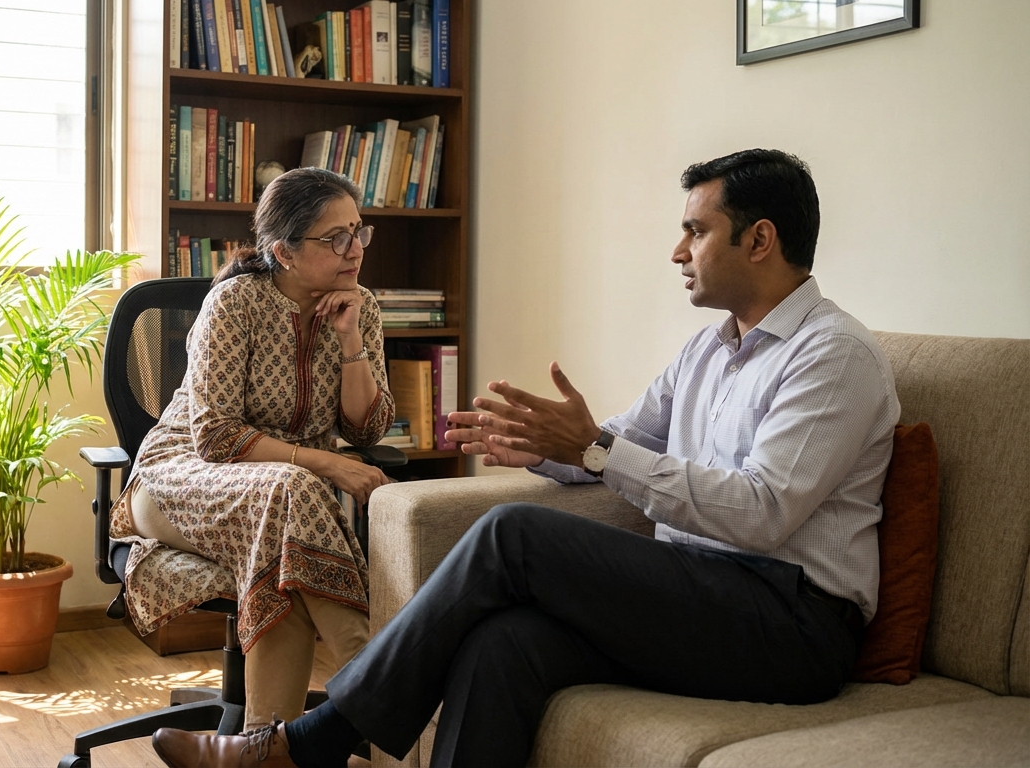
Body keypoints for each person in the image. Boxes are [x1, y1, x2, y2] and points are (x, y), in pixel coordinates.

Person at [148, 149, 900, 768]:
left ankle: (314, 740)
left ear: (759, 240)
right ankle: (312, 742)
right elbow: (617, 443)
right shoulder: (710, 348)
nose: (677, 251)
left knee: (514, 535)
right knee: (503, 643)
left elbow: (763, 512)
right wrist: (544, 450)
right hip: (703, 593)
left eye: (695, 232)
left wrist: (596, 452)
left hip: (791, 621)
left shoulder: (831, 356)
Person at [110, 167, 395, 732]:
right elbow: (214, 437)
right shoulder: (234, 303)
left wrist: (351, 341)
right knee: (289, 489)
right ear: (284, 251)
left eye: (358, 232)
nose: (353, 249)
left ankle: (260, 746)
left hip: (278, 508)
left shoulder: (360, 306)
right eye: (333, 237)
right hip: (177, 481)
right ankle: (379, 682)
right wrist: (324, 462)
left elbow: (368, 432)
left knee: (279, 554)